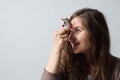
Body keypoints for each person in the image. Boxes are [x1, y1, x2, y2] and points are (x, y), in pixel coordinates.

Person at [41, 8, 120, 80]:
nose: (71, 37)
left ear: (96, 33)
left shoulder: (117, 68)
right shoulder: (66, 66)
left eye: (78, 30)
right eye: (71, 31)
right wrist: (56, 48)